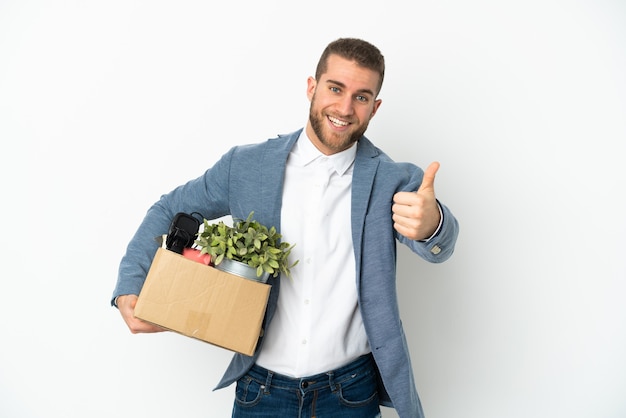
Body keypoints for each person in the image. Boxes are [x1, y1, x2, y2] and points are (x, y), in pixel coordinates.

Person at [112, 37, 459, 418]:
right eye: (335, 88)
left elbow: (440, 239)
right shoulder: (246, 166)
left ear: (374, 108)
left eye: (361, 97)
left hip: (350, 393)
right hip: (261, 391)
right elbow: (170, 208)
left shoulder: (392, 179)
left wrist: (432, 225)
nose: (344, 108)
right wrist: (131, 284)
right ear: (312, 87)